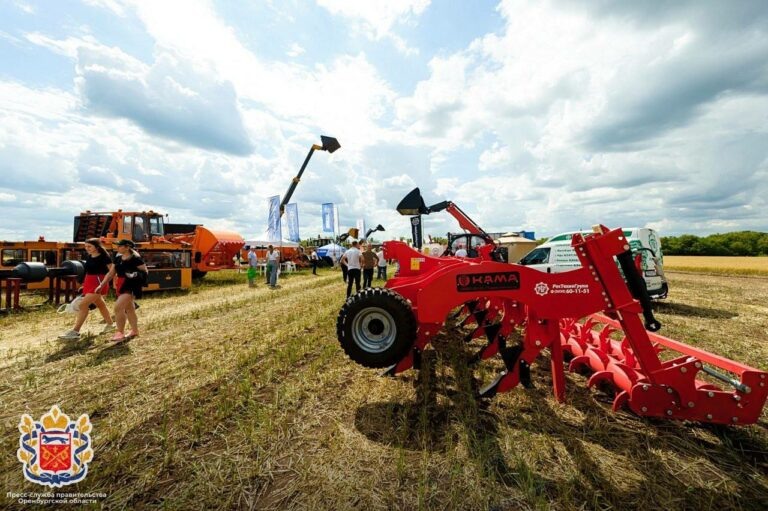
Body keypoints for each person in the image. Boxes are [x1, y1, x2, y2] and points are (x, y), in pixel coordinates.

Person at [58, 238, 116, 340]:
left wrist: (106, 284)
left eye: (89, 246)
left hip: (99, 282)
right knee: (100, 304)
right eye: (85, 246)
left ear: (97, 247)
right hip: (89, 282)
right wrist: (85, 284)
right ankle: (110, 325)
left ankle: (75, 331)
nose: (87, 248)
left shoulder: (104, 257)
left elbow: (112, 271)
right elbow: (88, 272)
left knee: (83, 304)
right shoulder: (89, 256)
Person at [97, 239, 147, 342]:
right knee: (129, 309)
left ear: (127, 247)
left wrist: (134, 275)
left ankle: (120, 333)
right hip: (120, 284)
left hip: (131, 285)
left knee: (118, 307)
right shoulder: (118, 258)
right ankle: (134, 330)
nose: (117, 248)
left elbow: (145, 272)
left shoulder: (136, 259)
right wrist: (102, 285)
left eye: (119, 246)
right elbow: (111, 273)